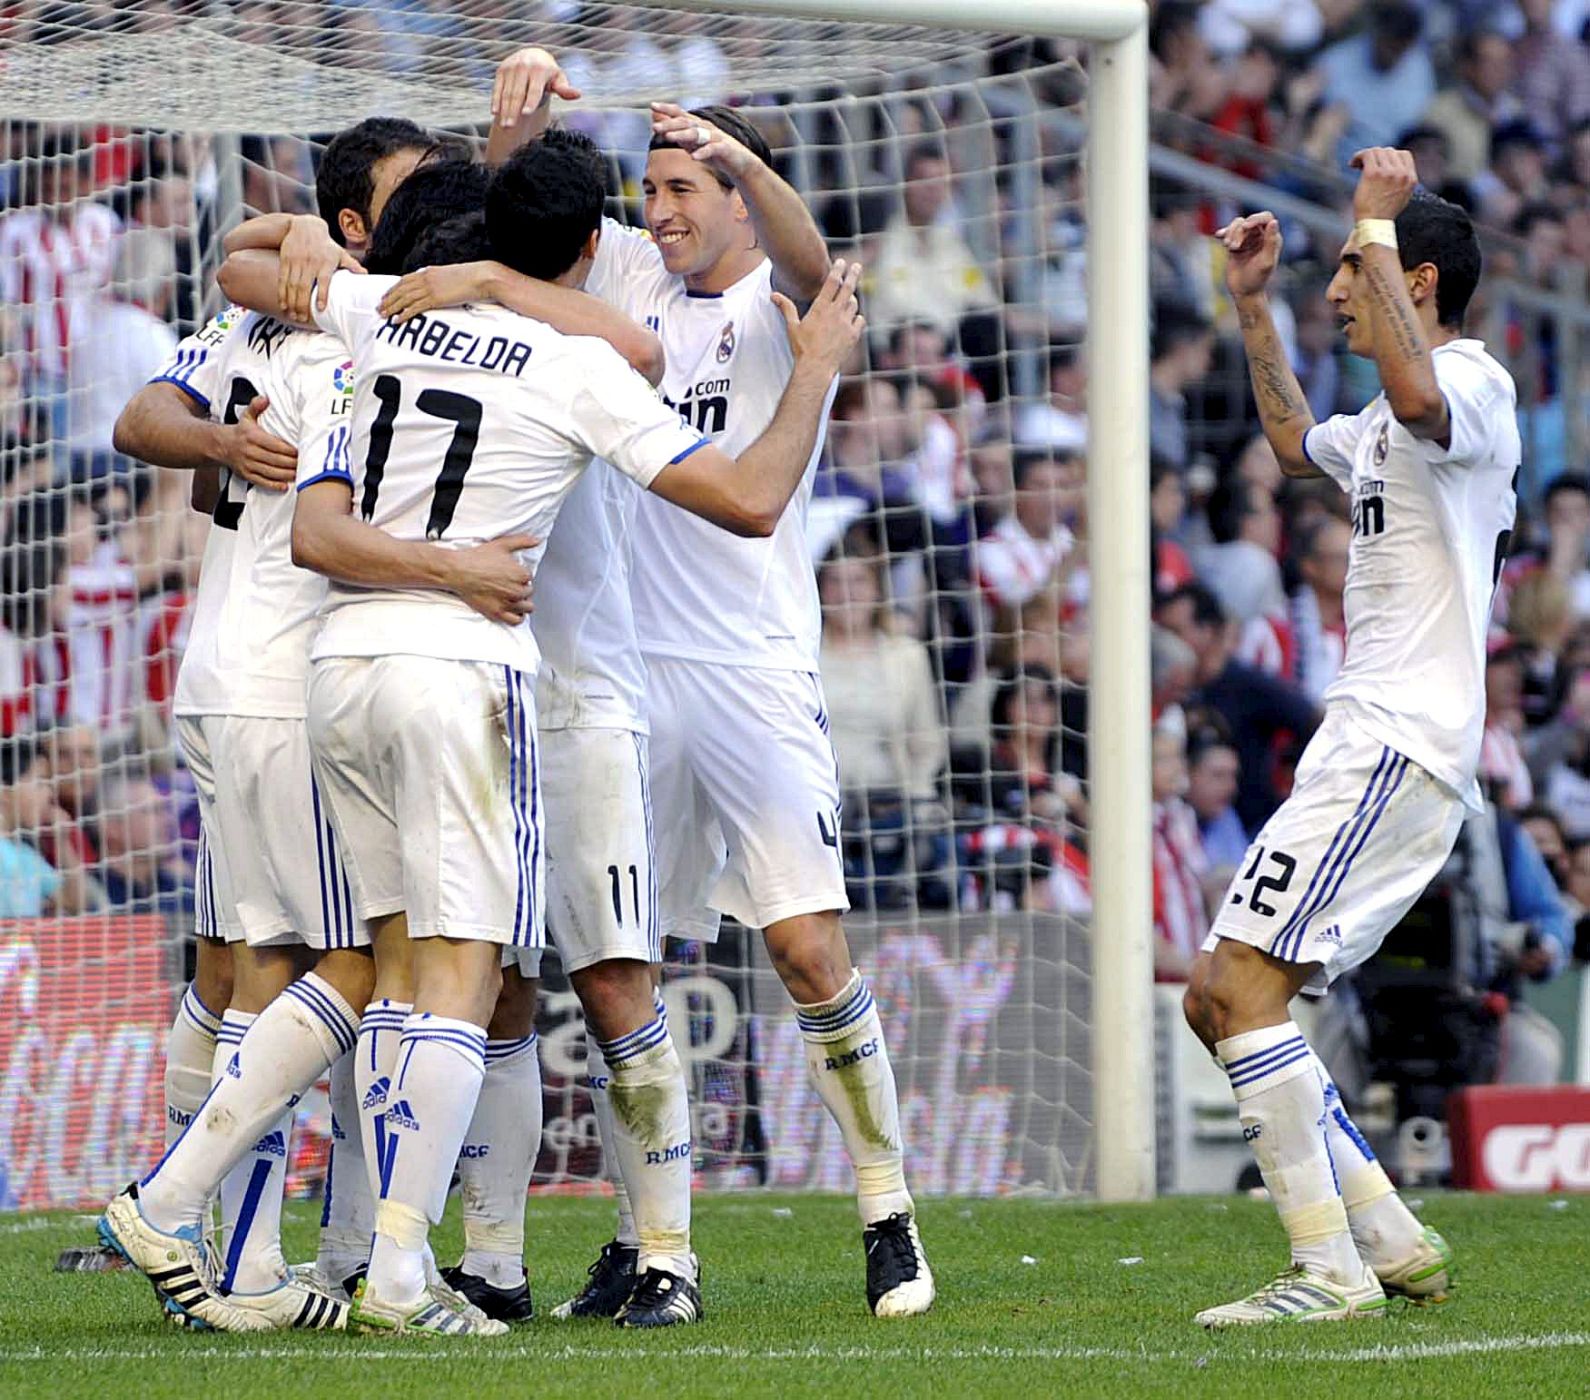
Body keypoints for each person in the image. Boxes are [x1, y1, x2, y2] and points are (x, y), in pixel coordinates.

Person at [213, 131, 865, 1334]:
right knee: (486, 987)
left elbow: (238, 259)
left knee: (587, 978)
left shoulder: (527, 331)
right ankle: (489, 1261)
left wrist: (322, 248)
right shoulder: (556, 345)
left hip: (571, 700)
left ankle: (662, 1254)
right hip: (483, 685)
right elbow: (251, 265)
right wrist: (339, 253)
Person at [1185, 151, 1516, 1326]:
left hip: (1398, 740)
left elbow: (1428, 403)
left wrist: (1370, 215)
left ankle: (1327, 1272)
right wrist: (1252, 306)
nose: (1336, 288)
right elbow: (1291, 447)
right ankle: (1384, 1232)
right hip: (1364, 738)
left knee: (1240, 985)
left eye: (1350, 269)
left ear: (1415, 281)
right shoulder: (1381, 418)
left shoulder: (1471, 387)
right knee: (1213, 998)